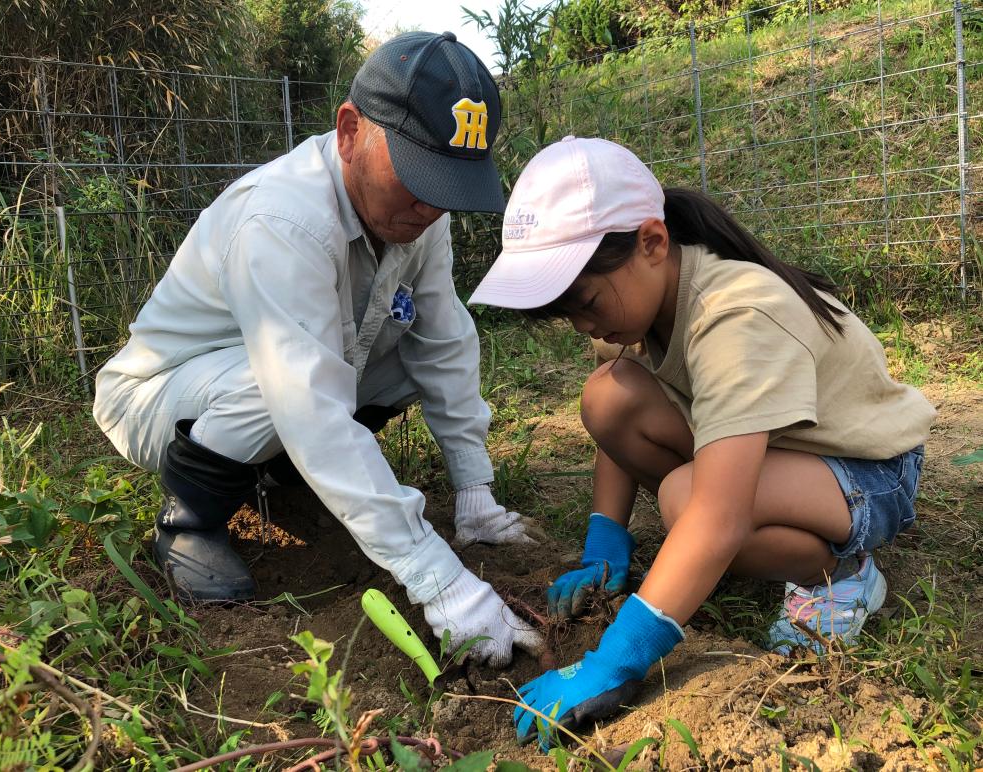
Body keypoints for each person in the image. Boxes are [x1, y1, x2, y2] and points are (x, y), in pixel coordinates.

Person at [92, 31, 545, 667]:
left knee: (411, 349)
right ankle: (190, 519)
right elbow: (306, 400)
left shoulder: (421, 217)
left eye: (448, 185)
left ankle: (277, 474)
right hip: (157, 397)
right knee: (284, 382)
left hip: (262, 386)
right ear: (350, 130)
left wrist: (475, 493)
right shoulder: (282, 219)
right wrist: (442, 583)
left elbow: (443, 340)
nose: (429, 205)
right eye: (417, 175)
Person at [467, 136, 935, 745]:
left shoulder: (736, 314)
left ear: (652, 243)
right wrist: (604, 545)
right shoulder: (637, 308)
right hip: (789, 454)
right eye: (565, 312)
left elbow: (716, 517)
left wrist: (617, 662)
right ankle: (769, 541)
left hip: (869, 469)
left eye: (583, 301)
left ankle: (845, 575)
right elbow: (615, 424)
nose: (582, 323)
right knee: (608, 393)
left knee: (690, 502)